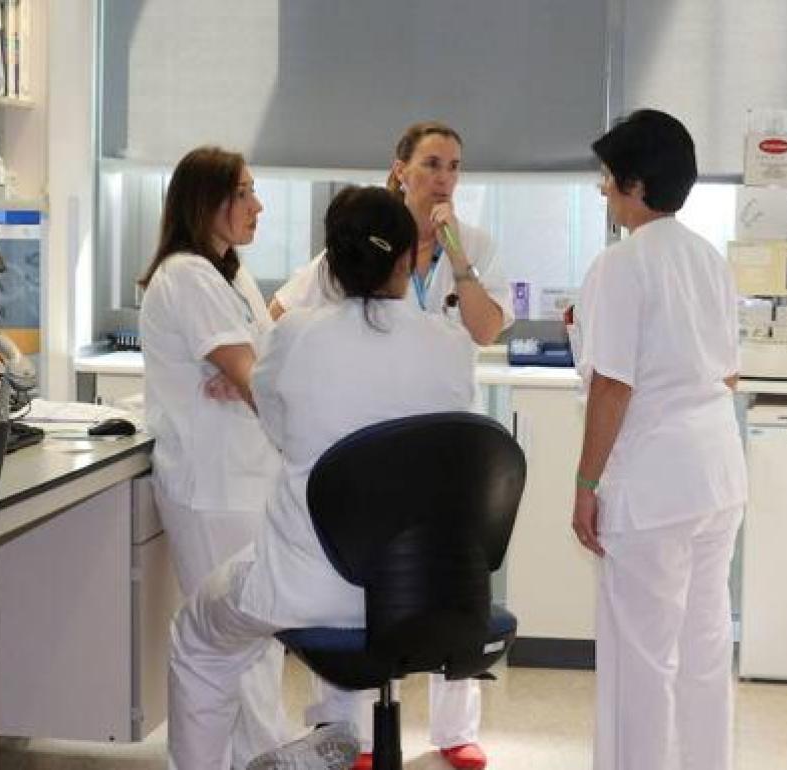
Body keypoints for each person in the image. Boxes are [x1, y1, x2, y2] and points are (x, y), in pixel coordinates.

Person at [168, 186, 476, 770]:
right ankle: (322, 740)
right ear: (410, 259)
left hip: (310, 586)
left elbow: (282, 434)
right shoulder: (451, 346)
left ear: (329, 263)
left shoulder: (296, 335)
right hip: (426, 586)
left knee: (197, 639)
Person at [270, 121, 511, 770]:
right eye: (432, 163)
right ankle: (347, 734)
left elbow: (485, 330)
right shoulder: (353, 248)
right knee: (351, 576)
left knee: (450, 569)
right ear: (400, 169)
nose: (444, 178)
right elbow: (279, 316)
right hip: (364, 446)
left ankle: (456, 730)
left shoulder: (475, 246)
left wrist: (460, 257)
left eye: (455, 166)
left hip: (444, 450)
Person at [569, 110, 746, 770]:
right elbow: (724, 371)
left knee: (637, 662)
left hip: (652, 486)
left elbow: (614, 386)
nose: (603, 191)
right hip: (716, 477)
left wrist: (586, 484)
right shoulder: (708, 259)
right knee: (702, 652)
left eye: (609, 179)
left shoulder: (622, 264)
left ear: (636, 184)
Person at [139, 145, 288, 769]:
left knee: (254, 642)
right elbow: (255, 376)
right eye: (245, 194)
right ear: (208, 203)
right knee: (236, 643)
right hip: (213, 486)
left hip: (246, 479)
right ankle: (261, 759)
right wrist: (257, 380)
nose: (258, 206)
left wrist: (259, 379)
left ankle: (254, 759)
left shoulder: (229, 272)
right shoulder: (187, 275)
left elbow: (263, 369)